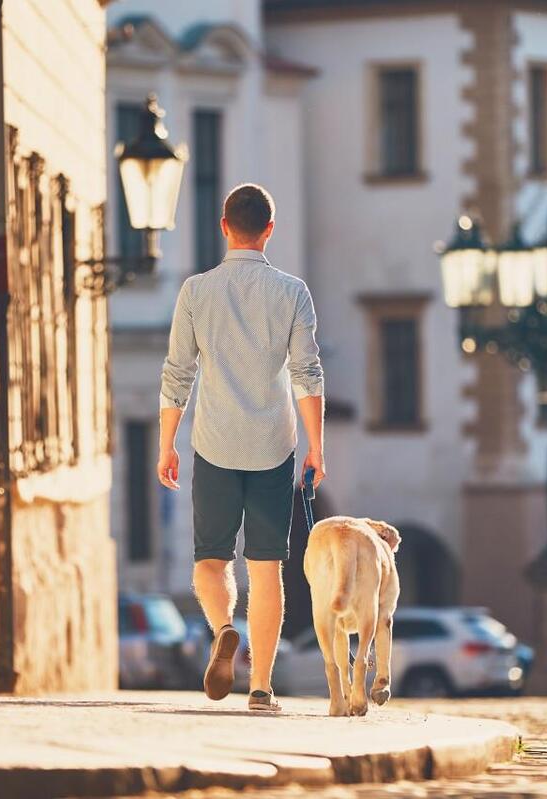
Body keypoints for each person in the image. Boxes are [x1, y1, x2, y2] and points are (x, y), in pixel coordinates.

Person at [158, 183, 325, 712]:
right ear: (269, 230)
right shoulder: (293, 292)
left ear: (224, 227)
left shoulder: (196, 292)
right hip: (274, 447)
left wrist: (167, 444)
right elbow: (307, 373)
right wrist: (316, 447)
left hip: (213, 444)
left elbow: (177, 374)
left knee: (210, 561)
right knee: (266, 568)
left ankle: (224, 627)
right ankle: (261, 687)